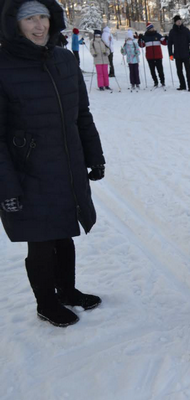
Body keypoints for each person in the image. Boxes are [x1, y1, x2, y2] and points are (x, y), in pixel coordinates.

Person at [0, 0, 106, 327]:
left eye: (43, 17)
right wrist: (7, 187)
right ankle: (46, 302)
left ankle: (68, 291)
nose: (39, 25)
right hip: (27, 171)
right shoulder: (3, 65)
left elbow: (81, 115)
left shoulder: (65, 58)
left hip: (67, 164)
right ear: (14, 24)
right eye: (29, 18)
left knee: (64, 232)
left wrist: (94, 155)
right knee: (42, 240)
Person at [168, 15, 190, 92]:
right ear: (175, 22)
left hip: (186, 54)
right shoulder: (172, 32)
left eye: (180, 20)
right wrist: (170, 54)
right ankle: (182, 85)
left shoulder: (186, 30)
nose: (179, 22)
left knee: (188, 71)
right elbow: (170, 44)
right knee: (179, 71)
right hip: (177, 55)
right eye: (177, 21)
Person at [139, 22, 167, 88]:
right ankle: (155, 82)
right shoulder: (145, 37)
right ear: (148, 29)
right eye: (150, 28)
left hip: (158, 56)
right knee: (152, 71)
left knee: (160, 70)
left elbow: (164, 42)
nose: (152, 29)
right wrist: (140, 39)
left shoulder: (158, 35)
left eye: (152, 28)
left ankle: (162, 82)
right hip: (150, 57)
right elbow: (142, 45)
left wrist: (166, 38)